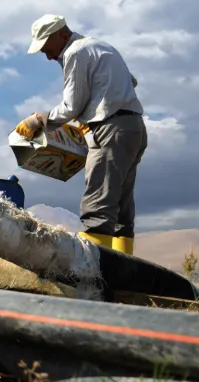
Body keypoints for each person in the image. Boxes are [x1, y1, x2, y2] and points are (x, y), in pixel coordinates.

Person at [15, 14, 145, 255]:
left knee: (98, 202)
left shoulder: (74, 51)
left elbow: (71, 105)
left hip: (111, 130)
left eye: (47, 47)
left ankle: (94, 270)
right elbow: (130, 82)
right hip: (132, 128)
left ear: (62, 35)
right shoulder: (100, 46)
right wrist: (96, 107)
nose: (48, 55)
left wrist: (38, 120)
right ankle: (123, 266)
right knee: (121, 205)